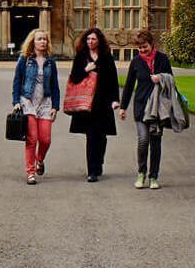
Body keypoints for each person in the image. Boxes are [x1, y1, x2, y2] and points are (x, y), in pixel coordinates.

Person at [119, 30, 172, 189]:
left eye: (145, 47)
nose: (142, 50)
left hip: (157, 107)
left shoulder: (162, 59)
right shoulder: (136, 62)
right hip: (141, 106)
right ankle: (141, 173)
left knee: (155, 142)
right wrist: (123, 107)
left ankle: (154, 176)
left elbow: (171, 80)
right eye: (139, 48)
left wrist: (161, 78)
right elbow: (129, 85)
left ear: (151, 44)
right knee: (143, 140)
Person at [68, 28, 120, 182]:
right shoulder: (81, 57)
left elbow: (113, 79)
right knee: (91, 136)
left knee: (101, 136)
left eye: (93, 39)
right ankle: (92, 171)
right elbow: (74, 78)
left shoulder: (106, 57)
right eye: (88, 39)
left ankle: (99, 162)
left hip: (103, 102)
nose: (90, 42)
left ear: (99, 41)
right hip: (87, 102)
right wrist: (86, 69)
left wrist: (115, 99)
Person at [11, 29, 60, 185]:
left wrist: (55, 106)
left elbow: (55, 85)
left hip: (45, 102)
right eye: (39, 39)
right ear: (33, 41)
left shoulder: (50, 61)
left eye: (45, 39)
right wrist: (16, 101)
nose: (43, 42)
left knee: (45, 139)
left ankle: (40, 159)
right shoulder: (24, 59)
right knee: (32, 139)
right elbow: (17, 81)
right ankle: (30, 172)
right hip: (28, 101)